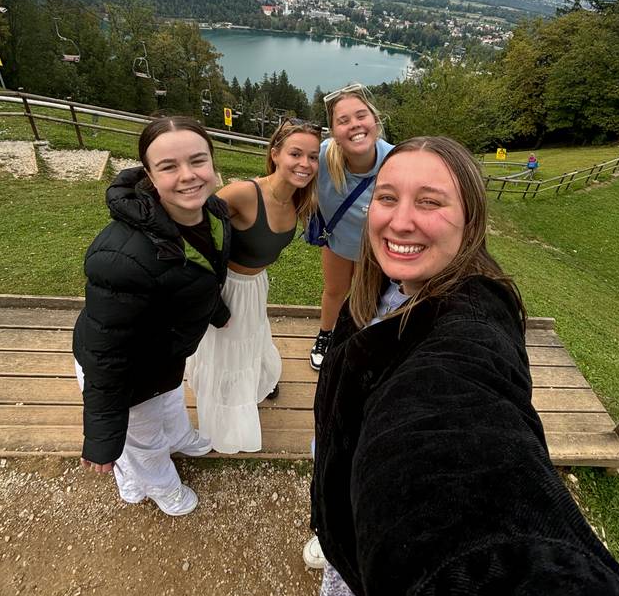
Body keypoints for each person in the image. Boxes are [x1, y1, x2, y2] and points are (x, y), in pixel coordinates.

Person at [311, 136, 619, 596]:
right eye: (387, 198)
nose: (400, 221)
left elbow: (455, 433)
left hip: (388, 579)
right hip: (353, 536)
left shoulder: (473, 321)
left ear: (471, 219)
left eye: (431, 202)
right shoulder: (378, 288)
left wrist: (492, 582)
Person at [73, 116, 231, 516]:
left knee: (172, 401)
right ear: (149, 175)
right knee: (142, 438)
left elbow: (200, 273)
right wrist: (102, 437)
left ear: (213, 162)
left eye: (198, 161)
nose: (188, 176)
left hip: (163, 354)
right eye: (168, 166)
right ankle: (161, 487)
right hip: (123, 368)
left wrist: (217, 311)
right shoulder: (121, 256)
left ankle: (178, 437)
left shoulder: (211, 213)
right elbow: (104, 351)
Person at [186, 118, 321, 454]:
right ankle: (226, 423)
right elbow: (194, 225)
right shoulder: (244, 193)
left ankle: (255, 384)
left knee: (252, 339)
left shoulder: (300, 199)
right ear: (275, 153)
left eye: (313, 157)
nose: (305, 164)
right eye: (296, 153)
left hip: (256, 285)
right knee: (229, 351)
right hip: (229, 288)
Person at [309, 84, 392, 372]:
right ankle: (325, 335)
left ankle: (363, 341)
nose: (354, 125)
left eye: (361, 116)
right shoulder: (319, 157)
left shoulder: (396, 160)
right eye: (343, 121)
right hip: (339, 242)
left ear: (375, 121)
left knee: (370, 297)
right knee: (334, 291)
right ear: (333, 132)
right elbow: (285, 168)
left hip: (379, 250)